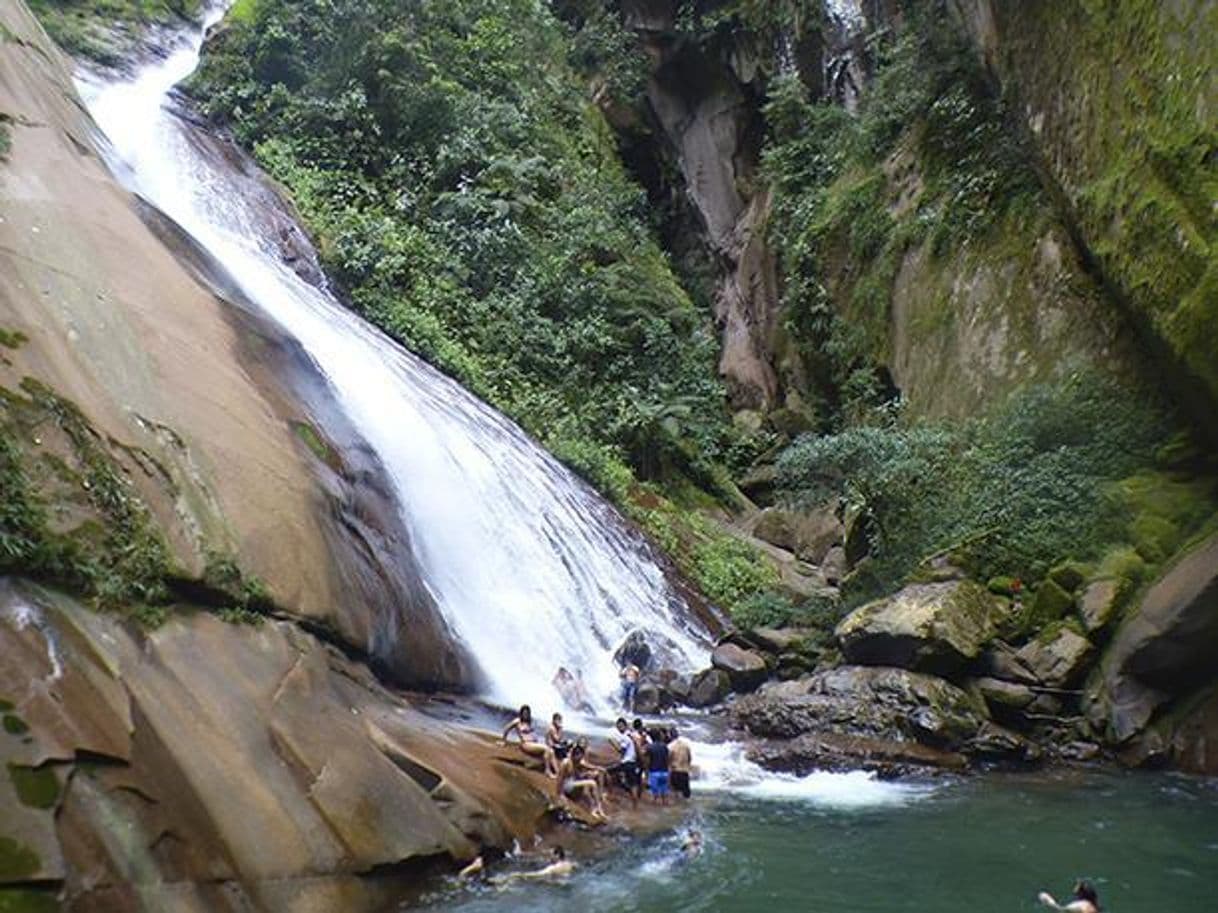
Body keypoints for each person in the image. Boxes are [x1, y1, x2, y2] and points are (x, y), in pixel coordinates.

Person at [502, 705, 558, 778]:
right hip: (526, 744)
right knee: (547, 749)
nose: (526, 715)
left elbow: (533, 733)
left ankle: (558, 772)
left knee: (551, 751)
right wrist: (504, 741)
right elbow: (506, 729)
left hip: (533, 743)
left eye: (527, 713)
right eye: (524, 713)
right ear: (521, 713)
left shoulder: (529, 722)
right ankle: (547, 771)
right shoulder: (517, 721)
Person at [555, 744, 607, 821]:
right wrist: (560, 795)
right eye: (580, 756)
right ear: (575, 755)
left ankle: (596, 809)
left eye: (582, 757)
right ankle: (597, 809)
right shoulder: (566, 763)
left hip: (573, 784)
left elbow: (589, 766)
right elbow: (560, 779)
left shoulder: (578, 762)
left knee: (589, 786)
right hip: (566, 786)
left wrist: (600, 769)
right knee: (591, 783)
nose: (581, 759)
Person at [493, 846, 576, 886]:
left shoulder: (552, 868)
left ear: (557, 855)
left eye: (551, 855)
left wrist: (520, 874)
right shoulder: (569, 863)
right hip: (566, 882)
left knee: (528, 881)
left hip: (556, 885)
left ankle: (503, 880)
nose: (550, 857)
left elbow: (537, 874)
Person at [607, 717, 641, 805]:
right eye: (618, 727)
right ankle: (635, 804)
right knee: (633, 784)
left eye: (621, 726)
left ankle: (610, 794)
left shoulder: (625, 737)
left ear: (625, 726)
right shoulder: (631, 735)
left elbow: (621, 750)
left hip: (627, 763)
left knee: (608, 773)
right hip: (633, 762)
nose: (619, 729)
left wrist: (612, 742)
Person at [645, 727, 670, 805]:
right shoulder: (664, 746)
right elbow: (667, 759)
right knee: (664, 796)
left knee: (654, 797)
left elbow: (647, 761)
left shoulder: (649, 747)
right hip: (665, 772)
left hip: (654, 772)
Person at [668, 725, 692, 800]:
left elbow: (668, 760)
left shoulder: (670, 746)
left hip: (675, 771)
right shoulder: (686, 745)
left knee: (675, 795)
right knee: (686, 796)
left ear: (670, 736)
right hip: (685, 772)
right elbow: (690, 758)